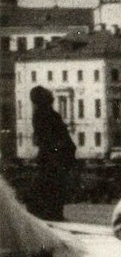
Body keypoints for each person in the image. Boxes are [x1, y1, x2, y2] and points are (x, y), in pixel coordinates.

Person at [23, 86, 74, 221]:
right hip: (55, 156)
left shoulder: (41, 114)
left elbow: (44, 138)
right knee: (54, 185)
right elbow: (51, 137)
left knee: (50, 185)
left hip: (52, 155)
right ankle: (52, 213)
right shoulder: (46, 114)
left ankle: (48, 213)